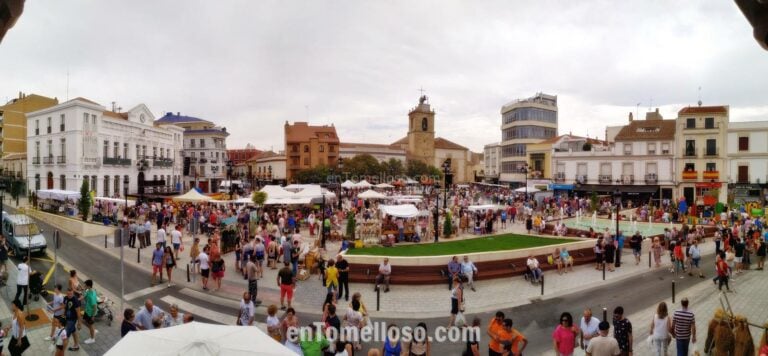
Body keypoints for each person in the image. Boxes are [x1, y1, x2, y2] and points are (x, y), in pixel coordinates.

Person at [82, 280, 99, 344]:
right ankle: (93, 330)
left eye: (85, 285)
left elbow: (95, 306)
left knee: (90, 325)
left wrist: (93, 316)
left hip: (90, 313)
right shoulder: (90, 290)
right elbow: (86, 298)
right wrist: (83, 291)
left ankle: (92, 339)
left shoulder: (91, 296)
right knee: (83, 321)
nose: (84, 286)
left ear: (88, 286)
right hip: (87, 310)